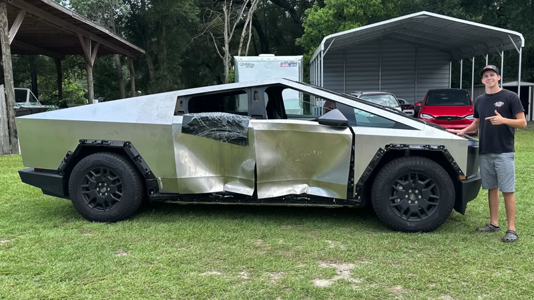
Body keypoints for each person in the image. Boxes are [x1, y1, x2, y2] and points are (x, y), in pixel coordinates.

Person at [447, 65, 527, 243]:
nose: (489, 78)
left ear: (498, 77)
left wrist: (503, 120)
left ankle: (511, 229)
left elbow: (522, 123)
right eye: (485, 76)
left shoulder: (510, 97)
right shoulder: (480, 100)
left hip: (504, 152)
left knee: (507, 190)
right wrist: (462, 131)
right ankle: (493, 224)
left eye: (492, 75)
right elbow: (476, 123)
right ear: (482, 81)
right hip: (485, 151)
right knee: (491, 188)